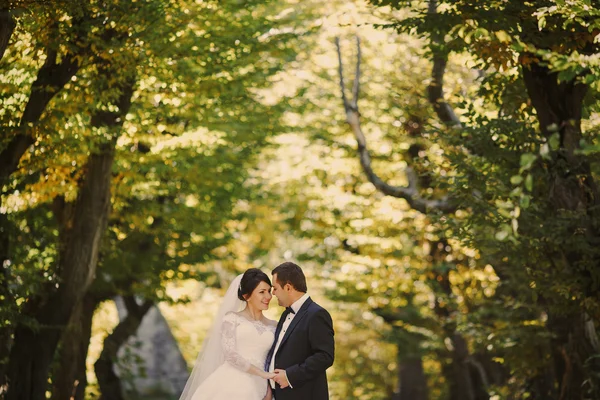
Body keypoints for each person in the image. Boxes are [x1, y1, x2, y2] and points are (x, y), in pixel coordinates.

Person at [178, 268, 278, 400]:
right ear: (246, 296)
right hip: (231, 382)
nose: (268, 296)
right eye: (262, 292)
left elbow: (272, 360)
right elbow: (231, 355)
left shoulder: (274, 325)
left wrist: (269, 387)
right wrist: (263, 374)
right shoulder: (231, 319)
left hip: (260, 385)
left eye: (269, 291)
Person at [266, 261, 335, 400]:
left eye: (275, 288)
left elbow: (324, 357)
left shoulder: (317, 314)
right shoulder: (285, 314)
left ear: (288, 287)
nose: (273, 293)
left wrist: (289, 376)